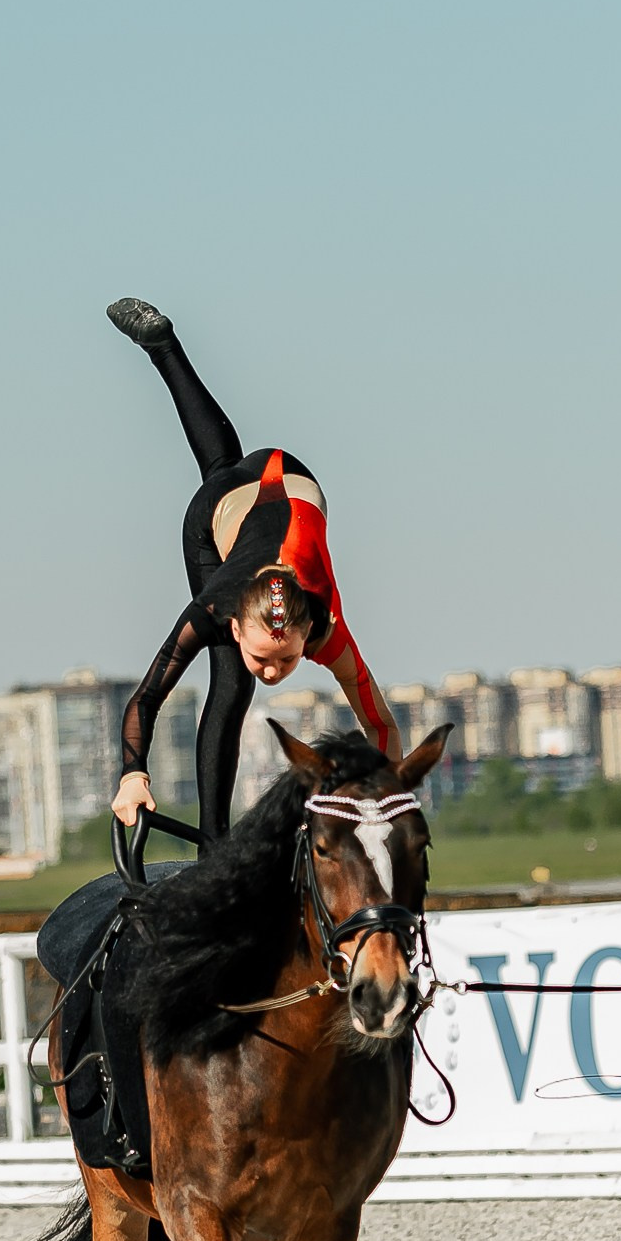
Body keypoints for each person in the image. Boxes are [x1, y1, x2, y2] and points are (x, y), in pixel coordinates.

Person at [105, 297, 401, 844]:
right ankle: (213, 846)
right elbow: (145, 698)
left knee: (223, 458)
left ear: (307, 634)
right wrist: (132, 774)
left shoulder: (328, 630)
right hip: (219, 518)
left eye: (286, 660)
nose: (273, 672)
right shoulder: (214, 608)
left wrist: (385, 795)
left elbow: (381, 724)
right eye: (266, 656)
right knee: (232, 684)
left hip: (291, 476)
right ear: (236, 627)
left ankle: (165, 347)